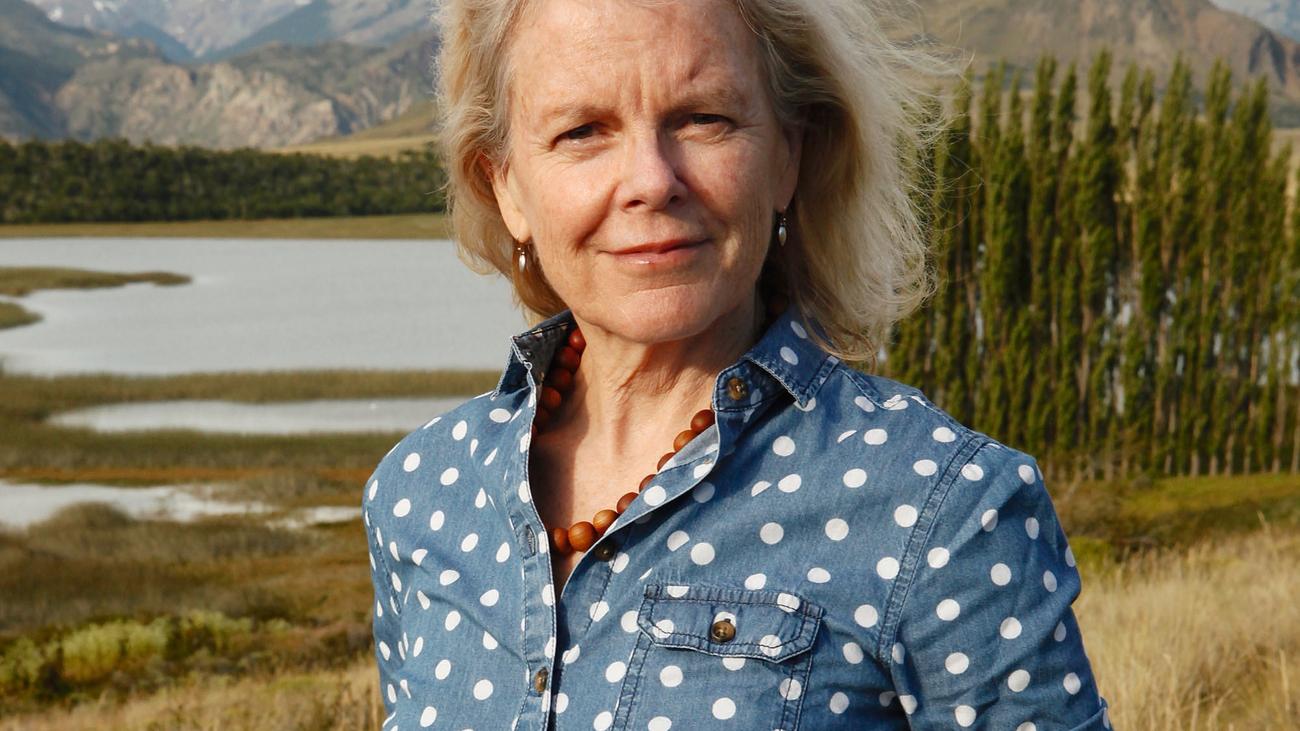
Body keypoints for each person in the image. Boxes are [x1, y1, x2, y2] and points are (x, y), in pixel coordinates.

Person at [364, 0, 1113, 728]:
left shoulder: (944, 508)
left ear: (788, 153)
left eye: (703, 118)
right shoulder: (420, 494)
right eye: (583, 131)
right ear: (505, 186)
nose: (651, 180)